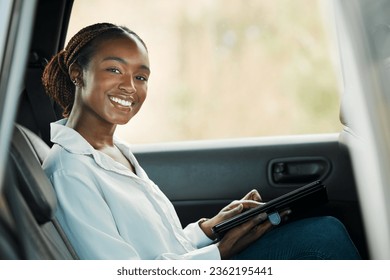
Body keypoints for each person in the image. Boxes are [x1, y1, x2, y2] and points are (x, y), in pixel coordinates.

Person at [42, 22, 360, 260]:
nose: (130, 87)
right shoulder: (70, 170)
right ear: (77, 73)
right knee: (323, 236)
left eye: (140, 77)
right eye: (114, 69)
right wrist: (219, 252)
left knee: (322, 230)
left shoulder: (115, 152)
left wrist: (210, 228)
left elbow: (163, 247)